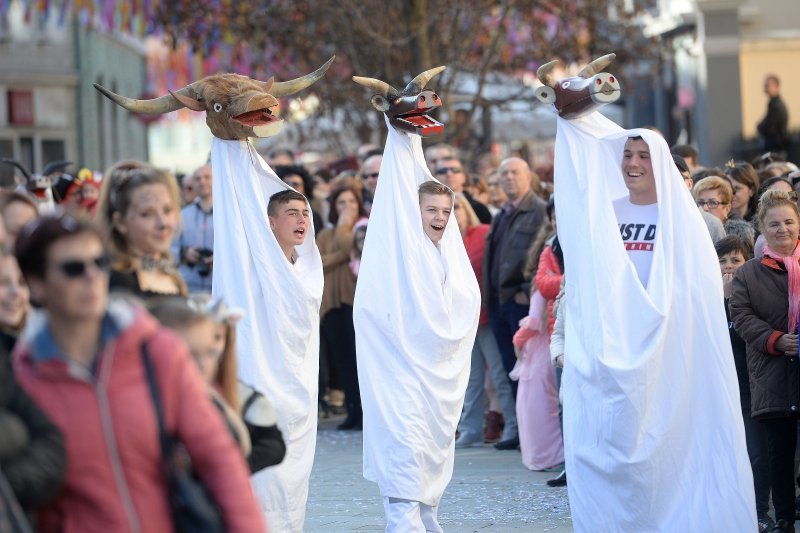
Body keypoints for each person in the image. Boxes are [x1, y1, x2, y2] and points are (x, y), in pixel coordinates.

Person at [553, 119, 755, 530]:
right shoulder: (607, 215)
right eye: (627, 155)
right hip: (614, 355)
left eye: (643, 156)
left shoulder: (682, 221)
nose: (633, 163)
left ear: (659, 163)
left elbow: (696, 292)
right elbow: (589, 283)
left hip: (668, 355)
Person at [12, 213, 264, 532]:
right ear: (36, 284)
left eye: (99, 262)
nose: (92, 276)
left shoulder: (155, 350)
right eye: (73, 268)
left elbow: (219, 458)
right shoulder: (24, 376)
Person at [354, 120, 480, 532]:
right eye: (431, 210)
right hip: (399, 369)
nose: (440, 217)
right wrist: (401, 136)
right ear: (414, 213)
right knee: (404, 445)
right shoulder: (396, 255)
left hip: (437, 372)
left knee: (430, 448)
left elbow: (465, 305)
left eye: (446, 211)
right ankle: (404, 518)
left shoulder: (451, 259)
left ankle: (427, 514)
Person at [149, 295, 286, 473]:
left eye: (218, 337)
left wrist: (231, 470)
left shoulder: (239, 393)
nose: (212, 347)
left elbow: (274, 445)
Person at [730, 190, 800, 533]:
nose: (782, 229)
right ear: (762, 228)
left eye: (789, 222)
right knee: (779, 454)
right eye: (774, 224)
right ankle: (785, 518)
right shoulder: (749, 274)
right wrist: (776, 340)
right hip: (771, 374)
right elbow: (741, 316)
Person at [484, 157, 547, 445]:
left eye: (514, 173)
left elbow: (541, 254)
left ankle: (530, 433)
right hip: (498, 302)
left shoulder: (538, 211)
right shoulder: (502, 214)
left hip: (521, 301)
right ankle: (519, 430)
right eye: (503, 173)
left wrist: (525, 288)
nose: (508, 178)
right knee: (510, 367)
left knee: (528, 370)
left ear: (528, 177)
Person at [715, 235, 772, 531]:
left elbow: (748, 336)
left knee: (756, 453)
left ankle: (759, 512)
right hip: (719, 390)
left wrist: (731, 300)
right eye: (722, 261)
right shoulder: (706, 299)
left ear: (748, 262)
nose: (728, 267)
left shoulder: (756, 294)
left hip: (751, 388)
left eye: (735, 260)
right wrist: (721, 301)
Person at [453, 193, 517, 449]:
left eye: (457, 207)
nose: (453, 212)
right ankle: (469, 429)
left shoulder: (484, 233)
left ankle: (513, 425)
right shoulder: (441, 240)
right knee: (471, 379)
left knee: (500, 376)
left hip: (488, 316)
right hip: (460, 321)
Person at [316, 185, 367, 430]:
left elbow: (353, 249)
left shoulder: (362, 228)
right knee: (342, 360)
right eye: (341, 203)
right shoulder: (326, 235)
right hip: (332, 303)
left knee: (360, 360)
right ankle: (351, 410)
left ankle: (365, 411)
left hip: (355, 301)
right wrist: (341, 254)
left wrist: (346, 227)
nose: (347, 208)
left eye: (351, 202)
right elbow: (317, 262)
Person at [97, 160, 186, 298]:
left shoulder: (170, 274)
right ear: (120, 222)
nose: (163, 223)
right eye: (147, 214)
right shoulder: (116, 284)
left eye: (167, 210)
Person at [172, 164, 214, 293]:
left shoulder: (228, 214)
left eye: (207, 177)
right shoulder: (182, 215)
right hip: (189, 286)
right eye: (198, 178)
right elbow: (169, 246)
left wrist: (219, 258)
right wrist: (184, 253)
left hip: (218, 285)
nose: (202, 182)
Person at [675, 154, 726, 243]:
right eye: (666, 176)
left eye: (678, 177)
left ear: (689, 184)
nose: (671, 181)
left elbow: (723, 256)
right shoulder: (647, 218)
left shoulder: (711, 224)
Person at [435, 156, 492, 224]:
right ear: (435, 177)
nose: (449, 174)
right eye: (442, 171)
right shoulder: (426, 206)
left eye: (455, 170)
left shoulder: (480, 209)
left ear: (464, 177)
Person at [275, 165, 325, 231]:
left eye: (295, 185)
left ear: (304, 189)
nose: (290, 188)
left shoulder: (313, 216)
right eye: (286, 184)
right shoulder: (271, 213)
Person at [757, 75, 789, 154]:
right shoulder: (773, 104)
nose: (765, 89)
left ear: (776, 86)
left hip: (776, 150)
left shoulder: (776, 106)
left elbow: (768, 126)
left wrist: (760, 127)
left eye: (767, 86)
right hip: (775, 148)